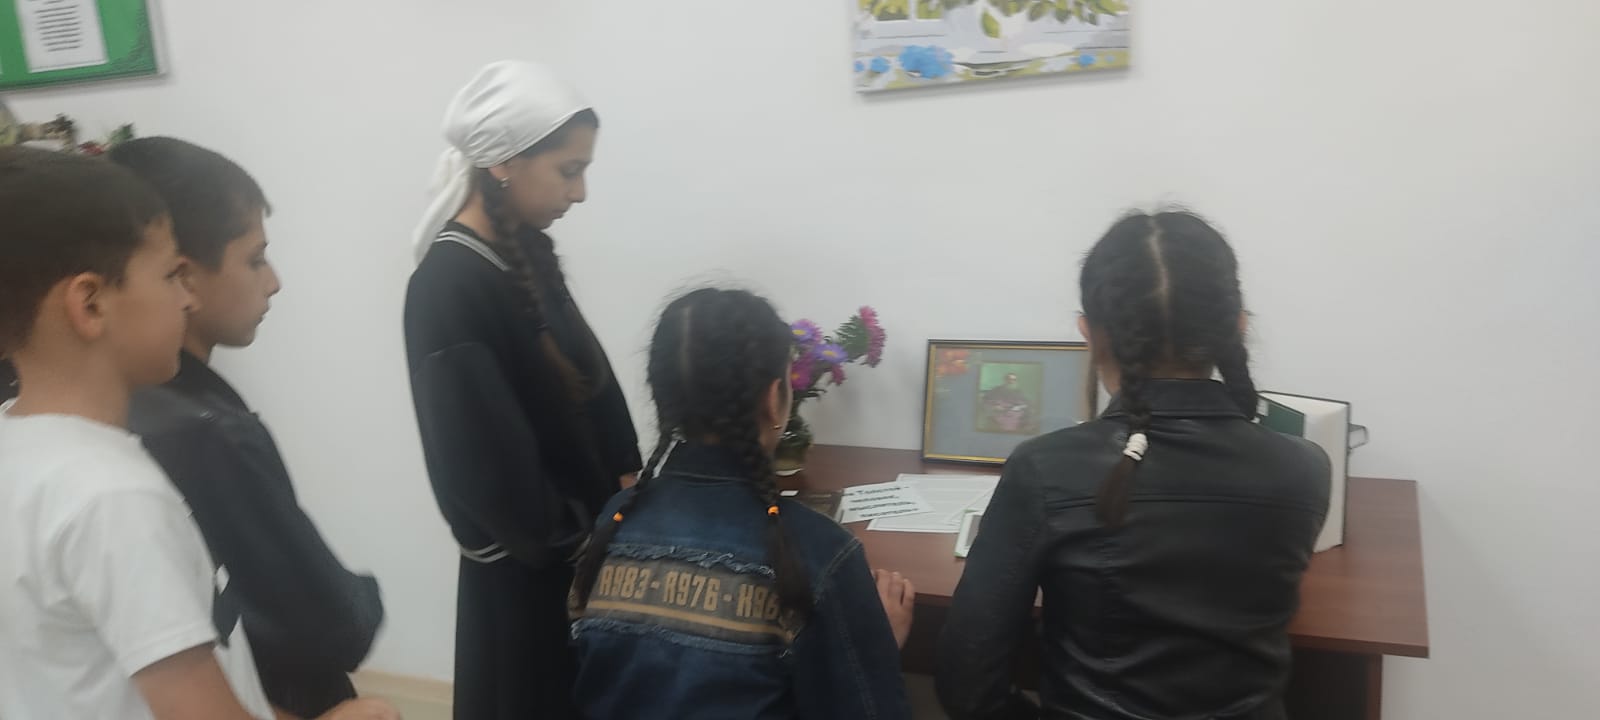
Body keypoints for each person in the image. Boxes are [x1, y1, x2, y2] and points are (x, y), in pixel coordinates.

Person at [936, 211, 1332, 720]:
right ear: (1237, 326)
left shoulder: (1044, 471)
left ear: (1090, 334)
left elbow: (967, 687)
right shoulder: (1306, 469)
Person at [111, 137, 388, 719]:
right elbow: (336, 626)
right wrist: (363, 598)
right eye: (255, 259)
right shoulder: (206, 433)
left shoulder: (100, 412)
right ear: (183, 277)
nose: (273, 281)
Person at [0, 146, 274, 719]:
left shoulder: (18, 447)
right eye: (172, 275)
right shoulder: (112, 496)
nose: (188, 297)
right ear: (91, 303)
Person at [404, 60, 642, 719]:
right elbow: (484, 466)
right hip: (529, 575)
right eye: (569, 170)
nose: (580, 192)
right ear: (504, 162)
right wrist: (581, 544)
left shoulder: (527, 252)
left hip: (585, 547)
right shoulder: (447, 285)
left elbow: (591, 382)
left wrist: (628, 483)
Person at [569, 287, 918, 719]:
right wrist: (876, 646)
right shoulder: (820, 552)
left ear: (663, 398)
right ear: (774, 399)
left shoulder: (615, 517)